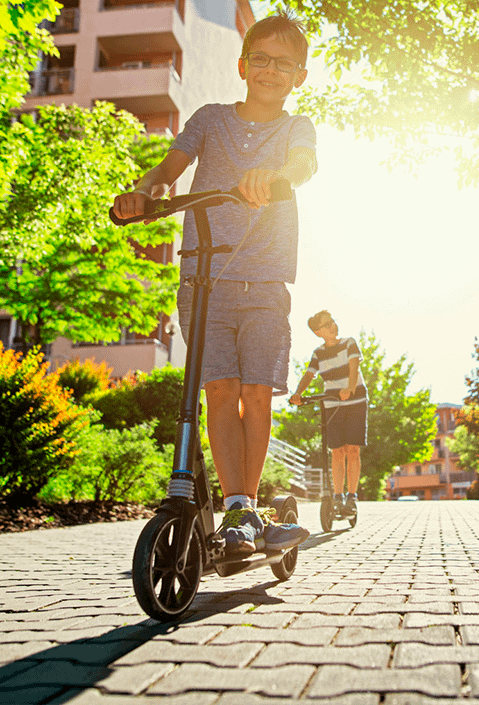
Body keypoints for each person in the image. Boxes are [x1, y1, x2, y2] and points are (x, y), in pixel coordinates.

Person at [112, 12, 317, 554]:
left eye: (285, 63)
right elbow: (167, 169)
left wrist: (274, 177)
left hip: (265, 280)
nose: (271, 70)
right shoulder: (209, 119)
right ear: (243, 65)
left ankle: (245, 511)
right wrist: (145, 190)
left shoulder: (296, 127)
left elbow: (303, 166)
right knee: (220, 393)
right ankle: (235, 509)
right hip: (203, 278)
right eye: (263, 59)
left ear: (299, 75)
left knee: (256, 393)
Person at [289, 311, 368, 517]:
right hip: (332, 404)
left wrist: (350, 388)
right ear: (318, 332)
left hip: (356, 401)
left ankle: (351, 497)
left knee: (352, 450)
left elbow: (354, 365)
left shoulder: (349, 343)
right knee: (337, 450)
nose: (332, 326)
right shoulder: (318, 353)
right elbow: (309, 374)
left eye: (332, 322)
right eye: (327, 324)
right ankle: (338, 495)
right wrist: (298, 393)